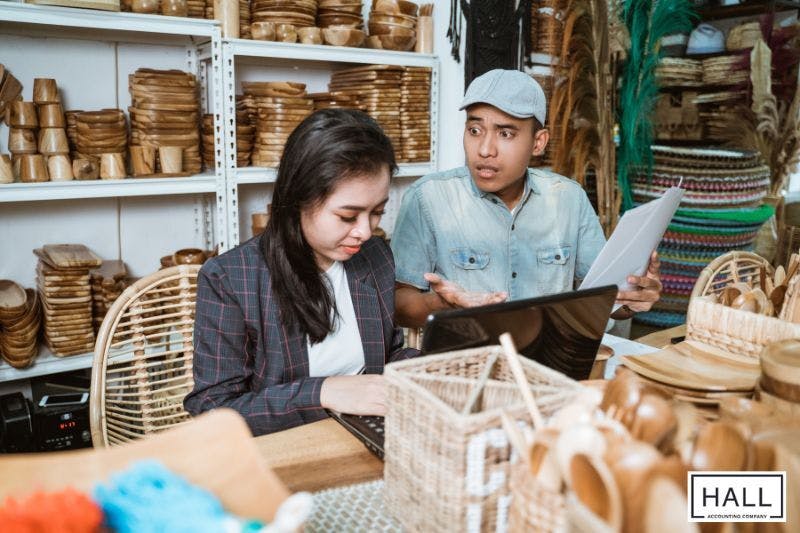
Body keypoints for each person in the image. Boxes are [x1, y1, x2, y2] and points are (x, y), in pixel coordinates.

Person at [185, 109, 418, 436]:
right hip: (283, 450)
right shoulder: (231, 278)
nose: (365, 232)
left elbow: (388, 353)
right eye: (348, 216)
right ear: (299, 200)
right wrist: (323, 392)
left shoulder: (375, 256)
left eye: (377, 212)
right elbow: (212, 408)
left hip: (368, 434)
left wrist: (432, 366)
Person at [391, 69, 662, 327]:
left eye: (505, 133)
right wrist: (441, 304)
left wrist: (633, 299)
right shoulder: (427, 198)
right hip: (466, 367)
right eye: (475, 130)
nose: (485, 149)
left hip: (550, 361)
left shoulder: (569, 199)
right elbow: (398, 305)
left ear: (538, 142)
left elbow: (606, 298)